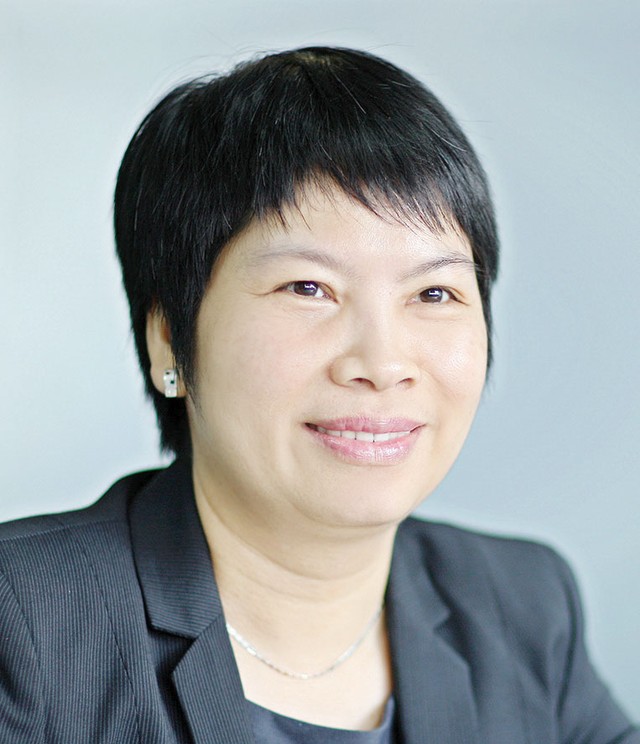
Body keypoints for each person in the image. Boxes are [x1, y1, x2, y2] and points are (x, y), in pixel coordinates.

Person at [0, 46, 637, 744]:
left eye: (434, 293)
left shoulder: (521, 606)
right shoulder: (27, 623)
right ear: (169, 341)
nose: (383, 363)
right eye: (309, 288)